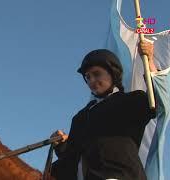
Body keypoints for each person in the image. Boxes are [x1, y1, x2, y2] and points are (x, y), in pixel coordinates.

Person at [51, 40, 157, 180]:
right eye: (87, 77)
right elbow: (72, 160)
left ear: (113, 73)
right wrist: (62, 145)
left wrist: (149, 61)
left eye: (96, 74)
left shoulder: (131, 101)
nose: (91, 81)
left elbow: (159, 100)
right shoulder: (79, 118)